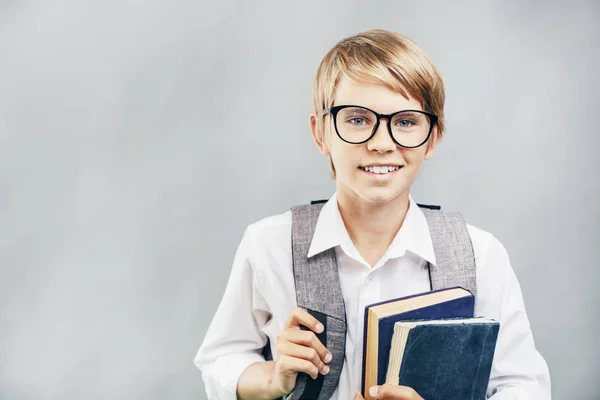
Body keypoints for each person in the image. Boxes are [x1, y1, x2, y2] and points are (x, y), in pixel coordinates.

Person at [194, 29, 551, 400]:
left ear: (433, 137)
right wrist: (273, 377)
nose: (382, 143)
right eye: (358, 120)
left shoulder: (481, 254)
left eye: (407, 121)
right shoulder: (269, 244)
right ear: (320, 134)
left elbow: (522, 386)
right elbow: (221, 359)